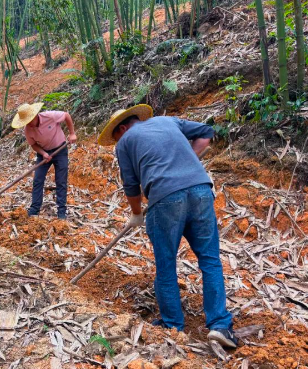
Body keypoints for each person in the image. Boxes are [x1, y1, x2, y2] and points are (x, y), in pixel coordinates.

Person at [98, 104, 237, 348]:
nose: (116, 141)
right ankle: (220, 325)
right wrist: (189, 161)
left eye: (115, 136)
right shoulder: (168, 121)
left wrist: (136, 214)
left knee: (166, 264)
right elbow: (206, 131)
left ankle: (173, 326)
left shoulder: (124, 142)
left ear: (121, 128)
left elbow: (130, 185)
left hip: (165, 198)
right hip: (201, 190)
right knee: (210, 260)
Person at [12, 103, 77, 219]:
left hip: (60, 150)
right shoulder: (28, 130)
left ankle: (61, 212)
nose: (29, 123)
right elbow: (33, 145)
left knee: (61, 180)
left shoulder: (50, 116)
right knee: (38, 180)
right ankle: (34, 210)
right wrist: (43, 153)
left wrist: (72, 133)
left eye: (30, 120)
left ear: (35, 115)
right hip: (44, 153)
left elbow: (66, 115)